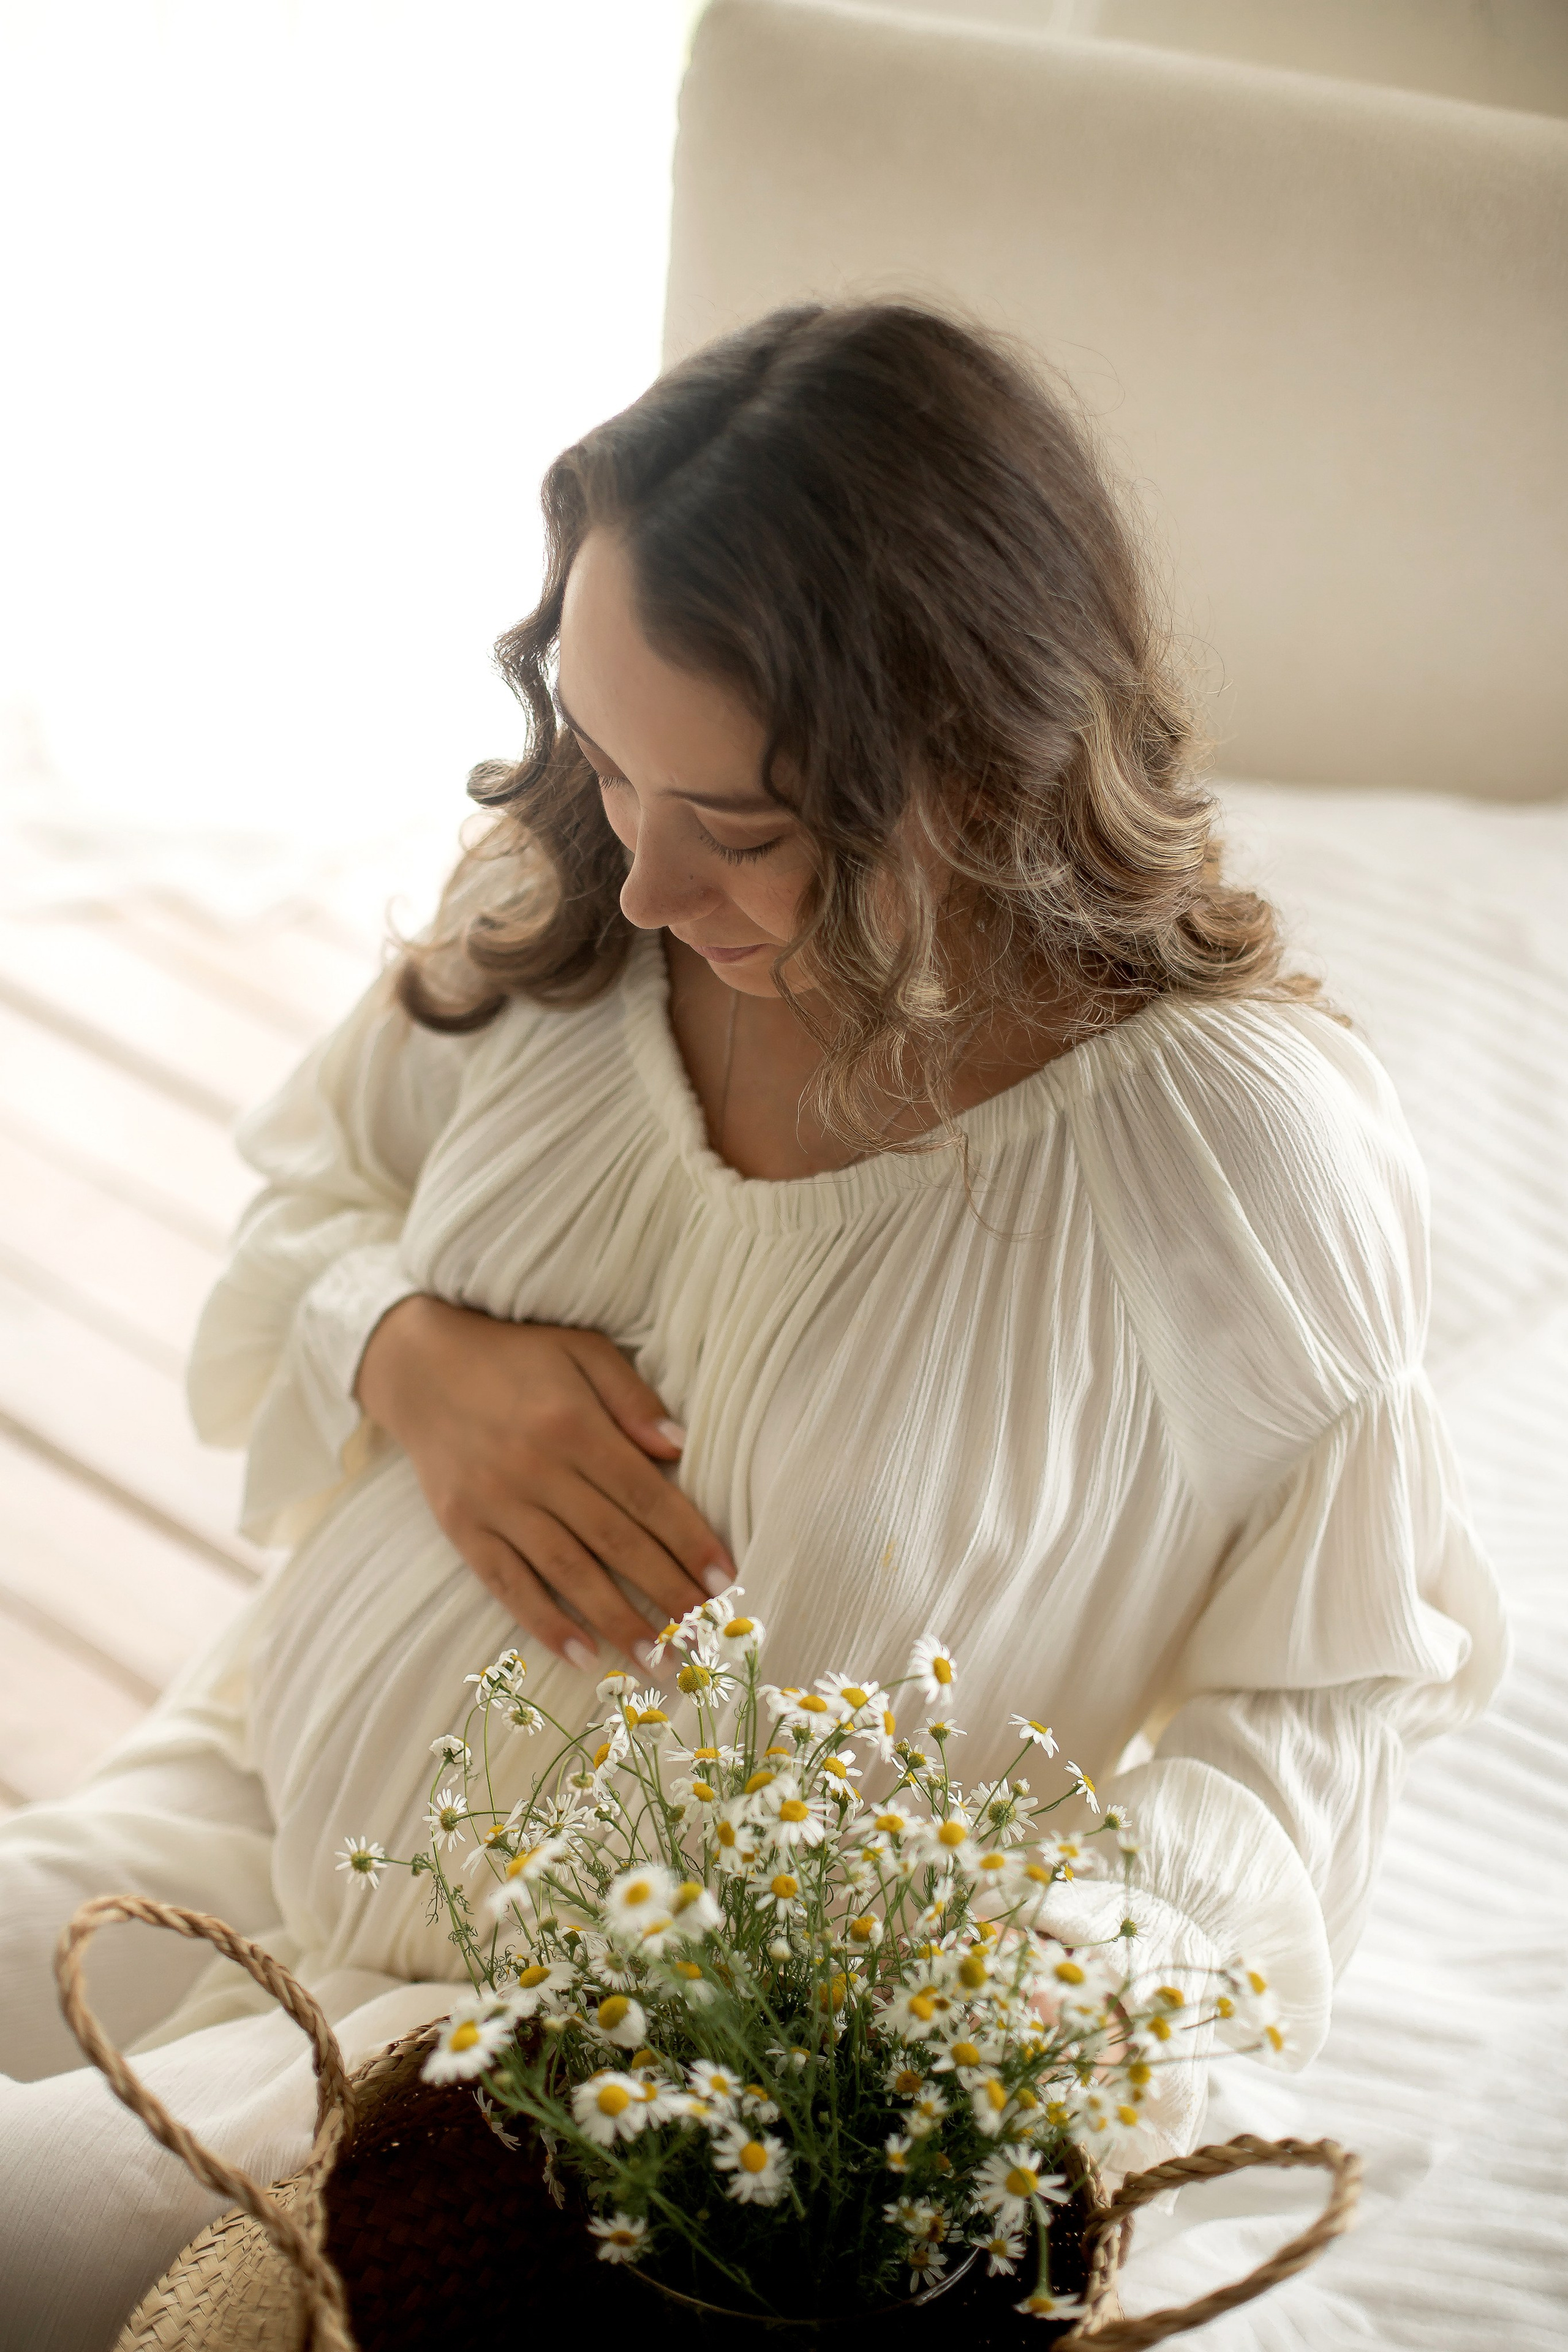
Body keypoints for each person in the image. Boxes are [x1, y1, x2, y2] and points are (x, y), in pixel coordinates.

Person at [0, 303, 1504, 2348]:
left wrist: (959, 2019)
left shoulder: (1223, 1155)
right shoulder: (562, 904)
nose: (641, 877)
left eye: (745, 822)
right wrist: (405, 1356)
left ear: (972, 767)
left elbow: (1325, 1697)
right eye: (616, 764)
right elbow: (317, 1197)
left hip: (568, 2070)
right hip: (239, 1803)